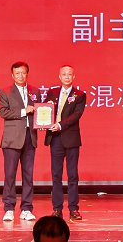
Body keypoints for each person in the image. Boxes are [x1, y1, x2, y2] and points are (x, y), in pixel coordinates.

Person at [43, 65, 86, 221]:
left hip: (71, 138)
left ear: (73, 77)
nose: (67, 77)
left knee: (72, 175)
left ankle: (73, 208)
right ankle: (57, 208)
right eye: (64, 74)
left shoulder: (80, 94)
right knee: (56, 175)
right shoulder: (52, 92)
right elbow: (44, 110)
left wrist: (60, 125)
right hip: (55, 138)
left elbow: (77, 115)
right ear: (59, 77)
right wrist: (43, 122)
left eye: (69, 74)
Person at [0, 61, 38, 222]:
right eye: (17, 73)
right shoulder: (5, 92)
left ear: (27, 73)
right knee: (10, 175)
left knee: (28, 175)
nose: (20, 76)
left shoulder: (35, 91)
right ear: (12, 75)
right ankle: (9, 208)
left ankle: (26, 209)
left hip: (30, 137)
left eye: (23, 73)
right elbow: (3, 112)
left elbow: (40, 111)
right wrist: (24, 111)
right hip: (12, 139)